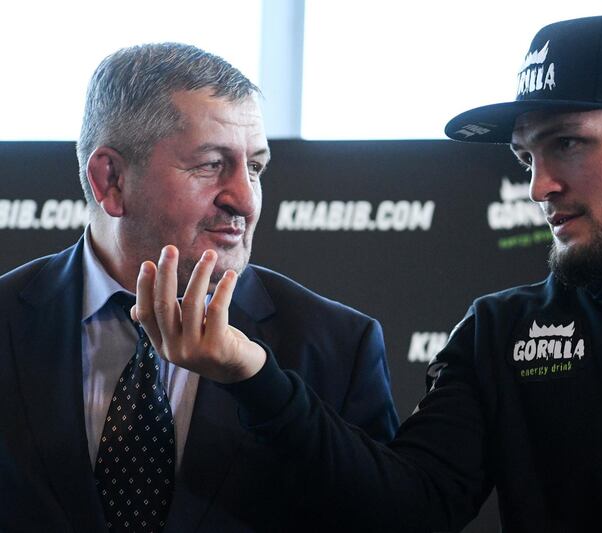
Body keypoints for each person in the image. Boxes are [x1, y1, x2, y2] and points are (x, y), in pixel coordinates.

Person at [95, 15, 602, 533]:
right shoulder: (502, 331)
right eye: (527, 157)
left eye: (568, 145)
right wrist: (254, 373)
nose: (540, 186)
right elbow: (402, 508)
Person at [0, 43, 398, 532]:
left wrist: (261, 386)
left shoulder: (336, 345)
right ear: (112, 180)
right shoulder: (7, 322)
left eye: (255, 167)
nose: (245, 200)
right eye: (211, 164)